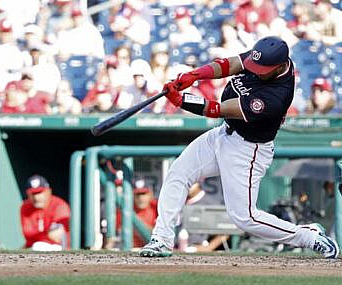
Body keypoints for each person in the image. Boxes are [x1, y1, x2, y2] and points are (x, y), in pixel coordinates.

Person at [139, 36, 339, 259]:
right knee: (178, 173)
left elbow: (218, 109)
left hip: (247, 150)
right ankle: (161, 239)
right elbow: (229, 64)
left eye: (262, 69)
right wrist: (195, 75)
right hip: (222, 134)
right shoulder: (266, 59)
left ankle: (308, 237)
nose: (255, 70)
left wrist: (182, 100)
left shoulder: (275, 97)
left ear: (280, 67)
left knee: (245, 218)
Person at [20, 175, 71, 251]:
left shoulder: (59, 205)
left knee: (38, 246)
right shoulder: (25, 207)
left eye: (40, 192)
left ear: (49, 191)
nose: (37, 197)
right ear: (28, 195)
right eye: (33, 194)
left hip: (59, 248)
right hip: (34, 247)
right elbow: (28, 234)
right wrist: (47, 234)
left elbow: (56, 235)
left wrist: (41, 236)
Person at [116, 178, 158, 248]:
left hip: (153, 249)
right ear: (132, 195)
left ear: (150, 195)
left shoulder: (156, 208)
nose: (141, 198)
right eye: (137, 194)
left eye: (143, 194)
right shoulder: (125, 209)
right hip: (131, 250)